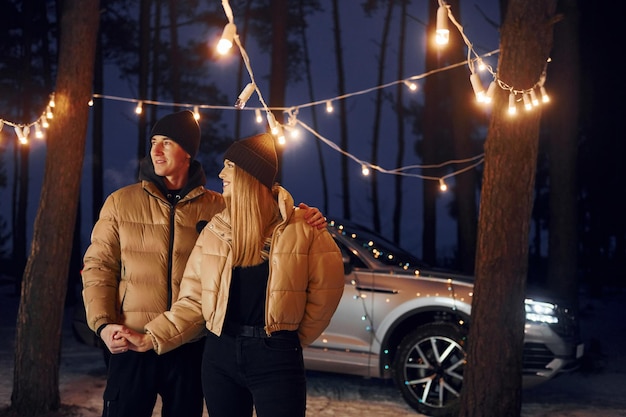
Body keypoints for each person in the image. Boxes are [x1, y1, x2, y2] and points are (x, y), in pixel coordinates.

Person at [81, 111, 327, 417]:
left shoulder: (220, 209)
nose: (155, 150)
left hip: (192, 347)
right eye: (153, 142)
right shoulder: (121, 202)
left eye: (166, 143)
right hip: (133, 340)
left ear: (187, 151)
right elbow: (97, 268)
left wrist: (305, 215)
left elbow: (262, 211)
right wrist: (103, 324)